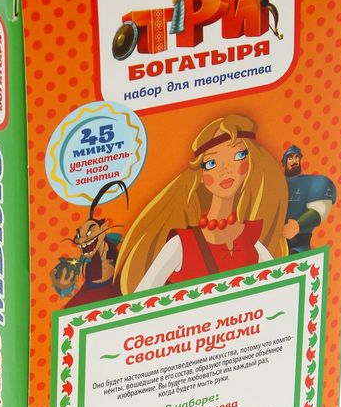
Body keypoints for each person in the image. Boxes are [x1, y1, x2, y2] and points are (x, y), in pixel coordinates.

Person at [115, 114, 288, 294]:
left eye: (238, 155)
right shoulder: (182, 245)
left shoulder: (251, 240)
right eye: (211, 163)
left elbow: (277, 292)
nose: (225, 170)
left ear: (251, 163)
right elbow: (141, 301)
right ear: (201, 176)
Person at [281, 145, 336, 253]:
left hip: (300, 246)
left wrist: (297, 224)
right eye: (290, 158)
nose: (294, 161)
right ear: (285, 161)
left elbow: (320, 209)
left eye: (297, 157)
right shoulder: (278, 183)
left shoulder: (312, 182)